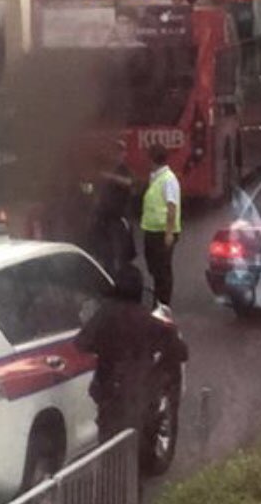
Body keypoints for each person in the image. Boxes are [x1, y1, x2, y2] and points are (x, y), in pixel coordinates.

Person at [75, 264, 188, 443]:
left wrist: (104, 347)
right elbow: (180, 351)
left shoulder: (105, 314)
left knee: (109, 444)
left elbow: (82, 343)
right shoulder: (147, 319)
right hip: (139, 393)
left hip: (109, 393)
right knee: (138, 442)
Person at [140, 143, 181, 305]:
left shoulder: (168, 179)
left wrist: (169, 233)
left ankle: (163, 304)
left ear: (152, 160)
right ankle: (158, 300)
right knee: (155, 268)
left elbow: (172, 207)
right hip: (152, 230)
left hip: (163, 232)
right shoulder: (156, 177)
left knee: (163, 270)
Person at [93, 138, 137, 278]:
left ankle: (121, 276)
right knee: (106, 251)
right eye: (115, 152)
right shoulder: (105, 168)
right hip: (104, 217)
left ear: (124, 154)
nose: (117, 155)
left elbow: (129, 182)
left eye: (120, 152)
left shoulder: (124, 170)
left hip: (119, 218)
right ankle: (108, 274)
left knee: (120, 250)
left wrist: (110, 177)